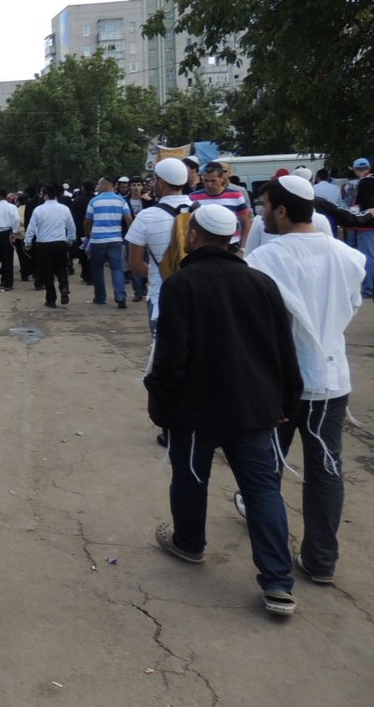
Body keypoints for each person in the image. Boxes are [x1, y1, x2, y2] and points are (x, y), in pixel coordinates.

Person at [145, 204, 303, 617]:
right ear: (233, 238)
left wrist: (161, 405)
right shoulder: (261, 283)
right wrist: (288, 400)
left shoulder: (182, 285)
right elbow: (284, 348)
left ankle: (189, 543)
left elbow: (170, 355)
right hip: (254, 408)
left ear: (193, 235)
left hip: (195, 411)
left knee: (192, 478)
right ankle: (278, 583)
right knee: (262, 489)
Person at [245, 174, 365, 585]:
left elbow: (256, 325)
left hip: (280, 383)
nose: (261, 216)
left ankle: (274, 557)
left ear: (281, 210)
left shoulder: (265, 259)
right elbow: (349, 307)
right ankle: (320, 560)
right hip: (331, 381)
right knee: (326, 469)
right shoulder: (346, 257)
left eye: (264, 207)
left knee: (266, 470)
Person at [126, 158, 193, 334]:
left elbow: (135, 264)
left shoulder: (146, 216)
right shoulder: (202, 212)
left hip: (161, 296)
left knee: (165, 352)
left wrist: (160, 272)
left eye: (154, 180)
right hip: (199, 296)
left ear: (161, 183)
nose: (152, 184)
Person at [23, 183, 76, 307]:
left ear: (46, 195)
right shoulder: (64, 209)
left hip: (44, 245)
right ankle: (63, 286)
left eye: (42, 194)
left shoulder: (38, 209)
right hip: (60, 243)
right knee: (61, 268)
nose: (40, 196)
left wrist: (27, 242)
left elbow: (31, 228)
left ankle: (51, 299)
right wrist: (70, 240)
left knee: (47, 272)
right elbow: (71, 227)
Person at [85, 175, 133, 308]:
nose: (98, 187)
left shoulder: (94, 201)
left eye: (99, 184)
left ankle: (100, 297)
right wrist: (128, 236)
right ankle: (120, 297)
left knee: (98, 269)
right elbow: (129, 220)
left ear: (106, 184)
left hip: (97, 240)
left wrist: (88, 234)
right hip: (116, 240)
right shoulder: (121, 201)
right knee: (117, 269)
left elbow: (87, 221)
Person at [349, 157, 374, 297]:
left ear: (355, 170)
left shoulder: (363, 183)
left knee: (368, 258)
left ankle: (368, 289)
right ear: (368, 168)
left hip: (367, 224)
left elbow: (357, 205)